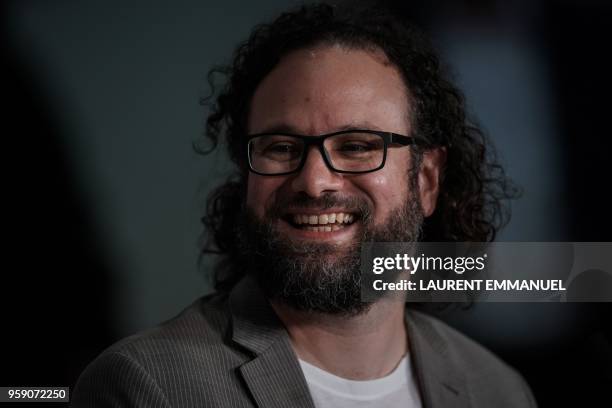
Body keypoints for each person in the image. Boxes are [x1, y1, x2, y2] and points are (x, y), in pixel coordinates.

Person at [72, 3, 536, 407]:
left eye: (357, 146)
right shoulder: (145, 387)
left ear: (427, 180)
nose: (314, 181)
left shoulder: (498, 389)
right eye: (281, 147)